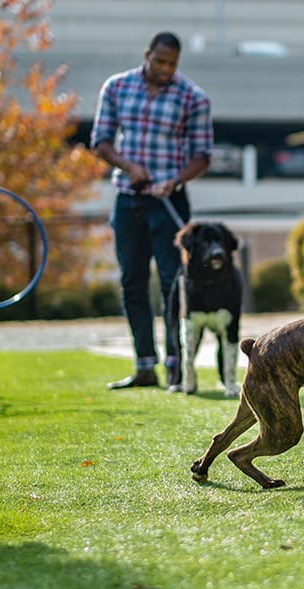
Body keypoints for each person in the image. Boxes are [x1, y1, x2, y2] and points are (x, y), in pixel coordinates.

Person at [91, 32, 214, 390]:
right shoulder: (116, 87)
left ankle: (177, 366)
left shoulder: (193, 97)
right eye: (159, 61)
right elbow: (101, 142)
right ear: (147, 55)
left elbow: (202, 156)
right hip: (128, 200)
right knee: (132, 282)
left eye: (172, 64)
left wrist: (173, 181)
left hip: (169, 202)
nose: (164, 69)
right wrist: (128, 166)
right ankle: (145, 365)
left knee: (173, 283)